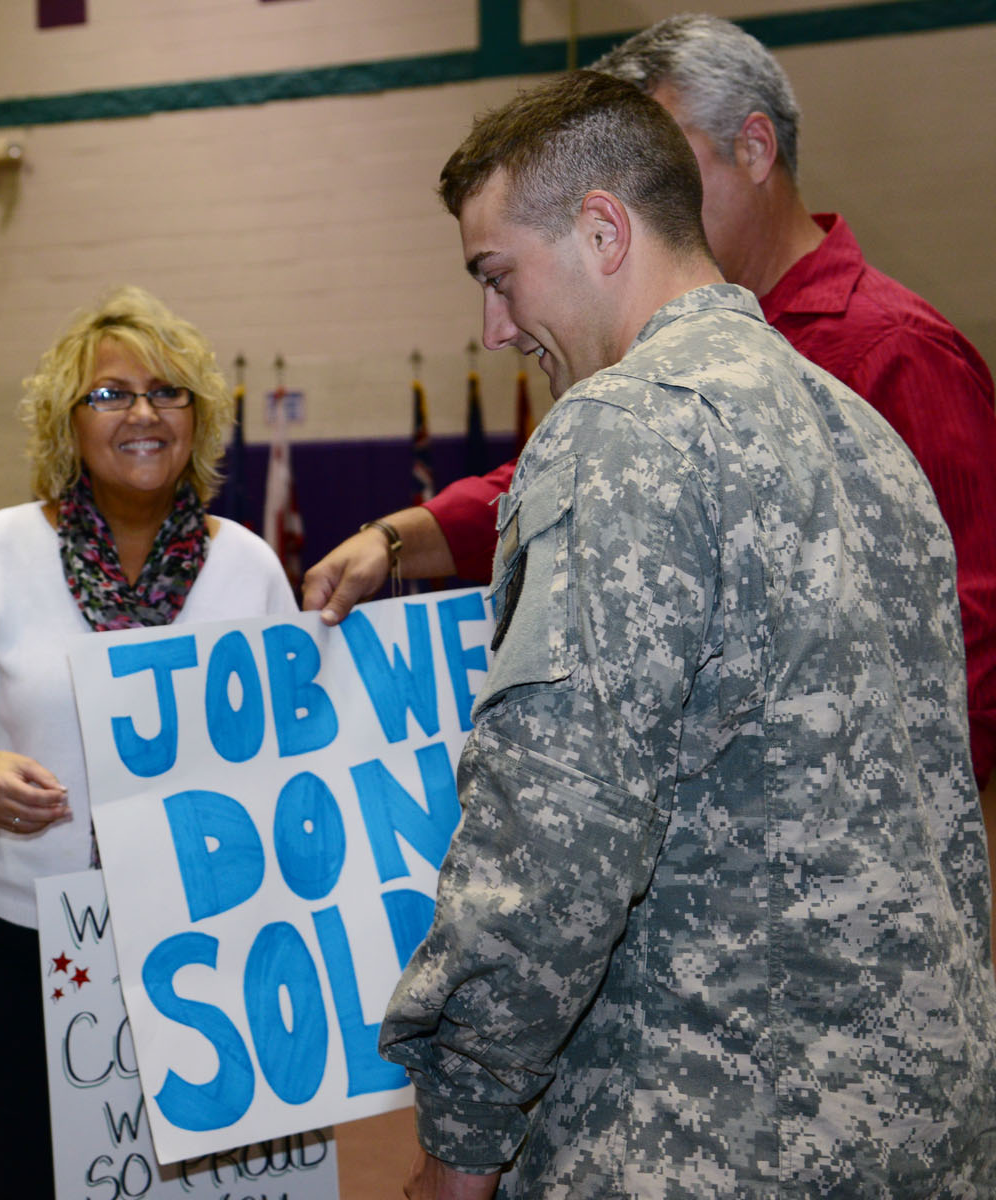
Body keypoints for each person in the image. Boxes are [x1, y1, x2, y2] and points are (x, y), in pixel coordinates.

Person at [376, 72, 996, 1198]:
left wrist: (459, 1139)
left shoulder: (617, 433)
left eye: (497, 276)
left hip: (705, 1135)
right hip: (918, 1122)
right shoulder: (860, 427)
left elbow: (552, 843)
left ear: (602, 229)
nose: (496, 327)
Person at [303, 13, 996, 796]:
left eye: (662, 158)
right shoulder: (654, 358)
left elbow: (971, 633)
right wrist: (399, 539)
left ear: (755, 149)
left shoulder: (894, 350)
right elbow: (571, 486)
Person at [0, 286, 297, 1199]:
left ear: (200, 416)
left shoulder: (247, 566)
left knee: (199, 1183)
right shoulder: (0, 551)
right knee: (27, 1177)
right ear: (65, 423)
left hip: (209, 947)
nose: (143, 414)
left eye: (168, 392)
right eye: (111, 395)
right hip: (24, 943)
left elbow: (291, 762)